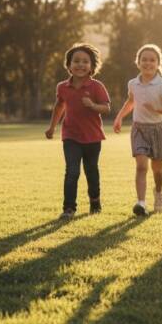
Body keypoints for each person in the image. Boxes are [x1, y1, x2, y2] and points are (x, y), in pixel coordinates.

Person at [113, 44, 162, 216]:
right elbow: (131, 102)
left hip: (158, 129)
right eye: (144, 59)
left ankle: (158, 192)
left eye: (152, 60)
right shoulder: (133, 83)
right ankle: (141, 203)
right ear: (138, 62)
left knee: (157, 169)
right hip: (139, 129)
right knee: (141, 166)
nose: (148, 63)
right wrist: (120, 117)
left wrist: (156, 108)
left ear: (158, 64)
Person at [45, 43, 111, 219]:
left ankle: (95, 200)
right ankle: (69, 208)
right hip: (71, 136)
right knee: (72, 171)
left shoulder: (97, 86)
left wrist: (93, 105)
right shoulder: (62, 87)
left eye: (85, 62)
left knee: (91, 171)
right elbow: (59, 106)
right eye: (76, 61)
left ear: (92, 66)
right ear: (68, 65)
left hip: (93, 137)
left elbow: (106, 109)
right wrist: (52, 127)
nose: (80, 65)